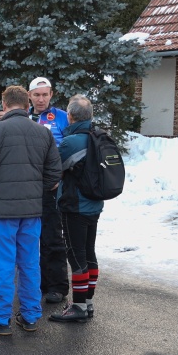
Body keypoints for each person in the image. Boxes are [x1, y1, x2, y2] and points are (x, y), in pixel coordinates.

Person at [0, 85, 62, 335]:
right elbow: (54, 172)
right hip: (31, 211)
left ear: (4, 104)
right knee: (29, 262)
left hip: (1, 212)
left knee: (2, 264)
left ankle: (0, 319)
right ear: (27, 104)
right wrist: (36, 191)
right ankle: (30, 315)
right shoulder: (43, 133)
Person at [50, 95, 103, 323]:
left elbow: (55, 170)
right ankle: (87, 302)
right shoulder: (99, 136)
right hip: (94, 204)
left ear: (70, 116)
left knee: (76, 255)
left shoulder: (72, 142)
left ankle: (79, 306)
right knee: (89, 253)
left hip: (75, 206)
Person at [28, 76, 70, 304]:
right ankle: (36, 282)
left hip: (53, 187)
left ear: (51, 94)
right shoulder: (24, 116)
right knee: (29, 237)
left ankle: (57, 285)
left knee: (52, 236)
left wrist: (59, 175)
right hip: (28, 187)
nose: (41, 99)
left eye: (45, 95)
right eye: (37, 95)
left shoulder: (62, 117)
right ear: (29, 96)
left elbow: (72, 150)